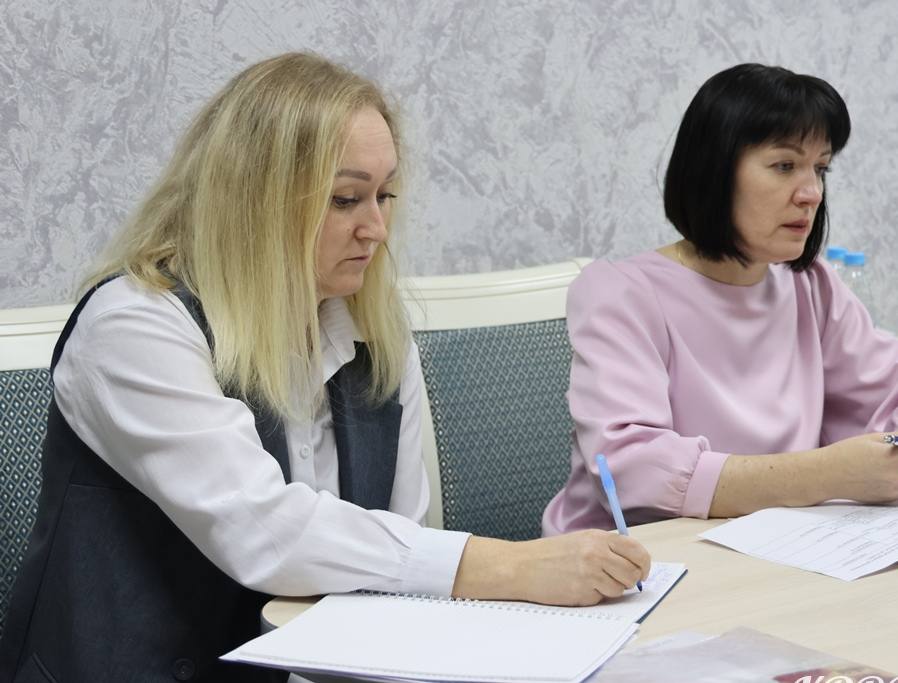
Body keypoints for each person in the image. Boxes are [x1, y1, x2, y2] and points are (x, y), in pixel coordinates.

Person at [0, 52, 649, 682]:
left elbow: (401, 547)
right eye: (345, 199)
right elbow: (263, 530)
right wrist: (511, 567)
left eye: (384, 195)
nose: (377, 228)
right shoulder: (133, 325)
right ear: (251, 199)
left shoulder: (374, 337)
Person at [542, 63, 898, 536]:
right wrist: (827, 474)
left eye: (821, 168)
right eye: (784, 166)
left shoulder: (811, 284)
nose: (811, 193)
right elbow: (632, 473)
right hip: (632, 559)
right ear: (713, 172)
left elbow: (890, 397)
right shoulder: (621, 293)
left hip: (781, 545)